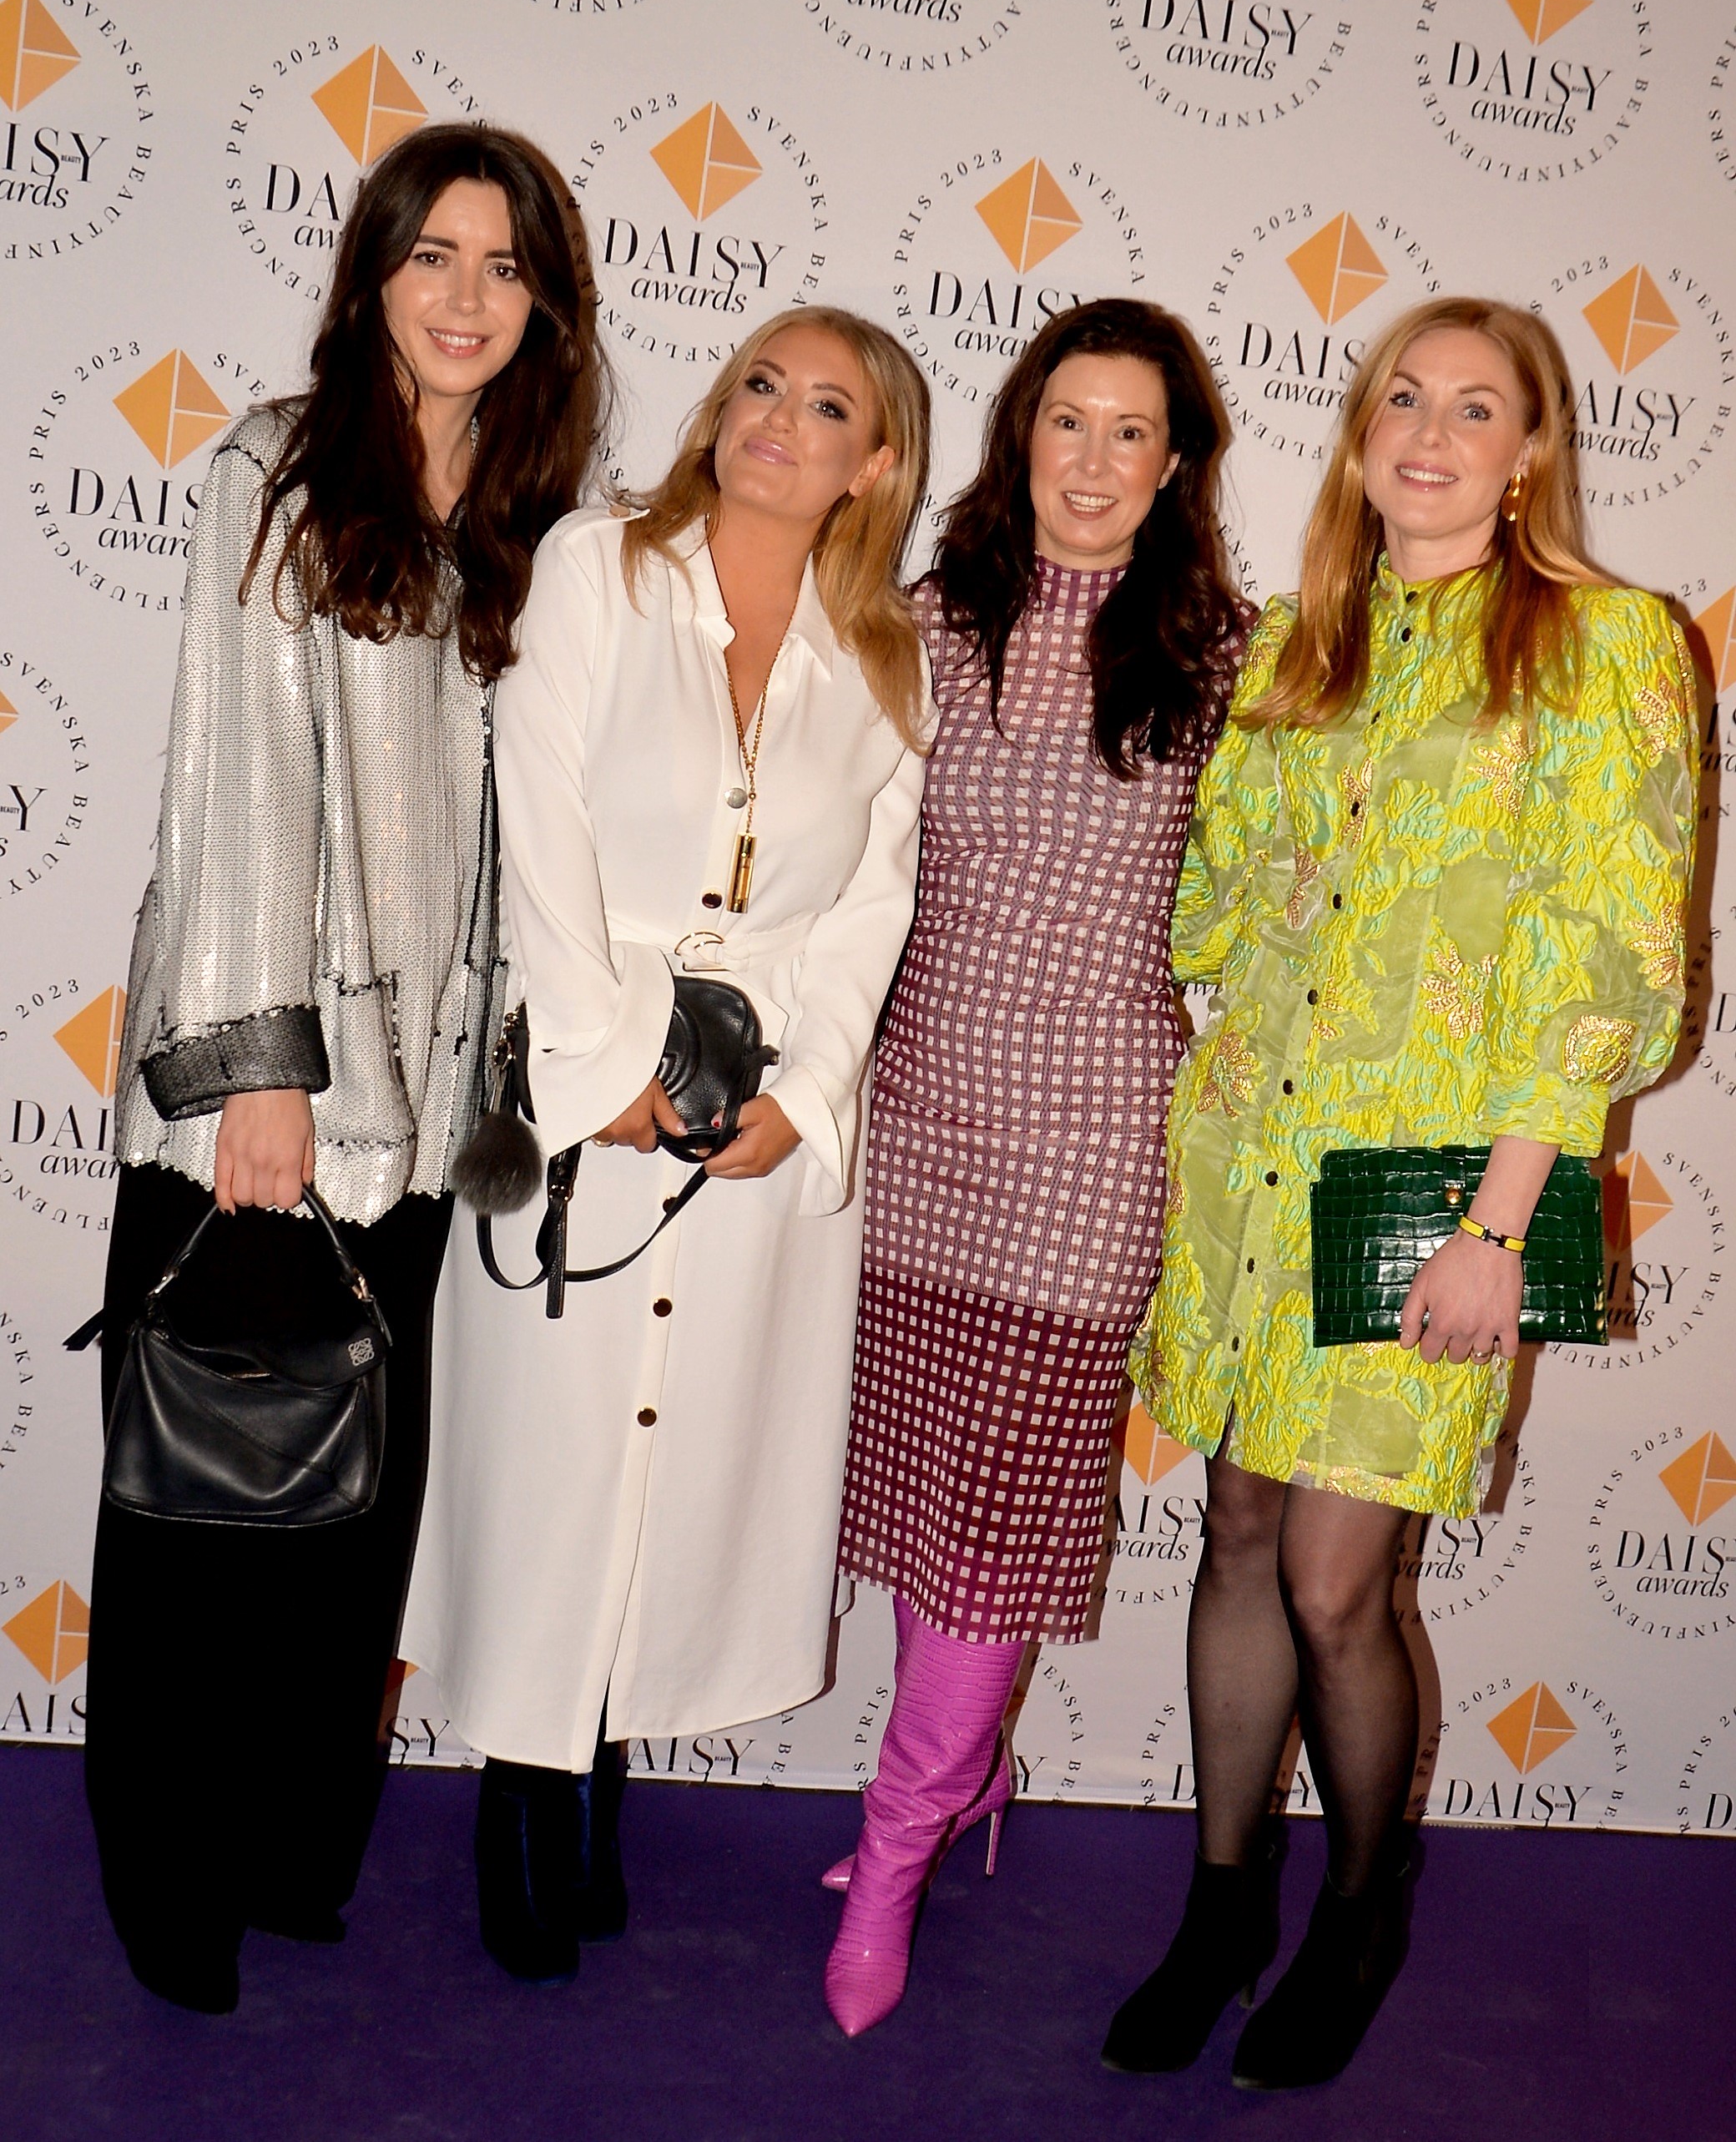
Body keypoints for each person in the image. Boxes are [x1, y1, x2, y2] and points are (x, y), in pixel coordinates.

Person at [1103, 297, 1696, 2089]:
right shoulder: (1298, 643)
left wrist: (1498, 1226)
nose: (1429, 436)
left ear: (1529, 451)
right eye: (1400, 402)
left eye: (1474, 409)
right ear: (1360, 437)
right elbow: (1211, 901)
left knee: (1338, 1580)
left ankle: (1363, 1907)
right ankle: (1222, 1902)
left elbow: (1610, 963)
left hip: (1436, 1181)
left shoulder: (1604, 641)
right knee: (1236, 1532)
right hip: (1254, 1158)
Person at [85, 124, 607, 2014]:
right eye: (430, 256)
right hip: (279, 1100)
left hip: (427, 1111)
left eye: (505, 265)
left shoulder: (539, 516)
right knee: (204, 1507)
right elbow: (236, 775)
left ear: (546, 302)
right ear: (370, 275)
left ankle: (294, 1845)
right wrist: (258, 1072)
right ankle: (170, 1882)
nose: (466, 298)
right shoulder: (280, 470)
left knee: (347, 1504)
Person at [400, 307, 932, 1986]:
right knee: (552, 1455)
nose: (779, 418)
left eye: (827, 405)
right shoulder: (599, 567)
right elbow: (536, 811)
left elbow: (871, 904)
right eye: (761, 383)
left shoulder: (885, 657)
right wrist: (607, 1057)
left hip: (752, 1124)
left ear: (875, 464)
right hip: (581, 1091)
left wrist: (808, 1091)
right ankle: (520, 1789)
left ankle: (604, 1768)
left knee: (677, 1456)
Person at [825, 299, 1249, 2037]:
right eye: (1067, 421)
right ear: (1020, 436)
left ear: (1175, 461)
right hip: (916, 1109)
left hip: (1092, 1138)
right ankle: (965, 1777)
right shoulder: (923, 621)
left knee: (996, 1515)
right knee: (924, 1484)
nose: (1093, 459)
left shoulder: (1226, 660)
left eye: (1130, 430)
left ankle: (895, 1853)